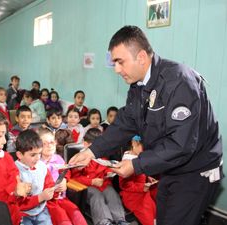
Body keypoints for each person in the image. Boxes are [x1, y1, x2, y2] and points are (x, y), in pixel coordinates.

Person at [69, 25, 223, 225]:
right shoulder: (139, 85)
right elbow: (126, 121)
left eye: (119, 62)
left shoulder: (178, 82)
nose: (116, 69)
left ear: (141, 57)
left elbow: (181, 144)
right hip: (170, 166)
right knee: (161, 218)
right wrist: (92, 152)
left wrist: (136, 165)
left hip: (195, 169)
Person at [69, 128, 127, 225]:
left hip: (103, 184)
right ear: (85, 143)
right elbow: (74, 178)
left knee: (111, 193)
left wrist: (109, 172)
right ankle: (104, 221)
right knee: (97, 196)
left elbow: (106, 167)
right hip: (88, 187)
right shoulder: (80, 158)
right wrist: (91, 181)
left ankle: (120, 219)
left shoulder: (102, 155)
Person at [38, 128, 87, 225]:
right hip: (48, 202)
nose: (49, 146)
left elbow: (66, 171)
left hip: (62, 199)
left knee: (77, 216)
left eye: (52, 142)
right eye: (45, 144)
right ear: (38, 146)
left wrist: (65, 180)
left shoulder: (58, 158)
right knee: (64, 221)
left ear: (55, 143)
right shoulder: (37, 163)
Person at [15, 129, 54, 225]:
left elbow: (49, 184)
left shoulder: (42, 167)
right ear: (20, 155)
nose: (37, 158)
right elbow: (17, 203)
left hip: (41, 210)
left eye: (39, 154)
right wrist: (40, 197)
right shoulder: (15, 171)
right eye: (33, 155)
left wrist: (53, 190)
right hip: (23, 214)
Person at [119, 135, 157, 225]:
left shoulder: (138, 157)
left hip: (143, 193)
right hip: (133, 196)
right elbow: (124, 184)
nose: (144, 151)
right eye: (142, 148)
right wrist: (141, 187)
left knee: (154, 210)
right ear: (134, 143)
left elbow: (140, 174)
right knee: (149, 218)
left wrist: (148, 177)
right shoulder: (127, 162)